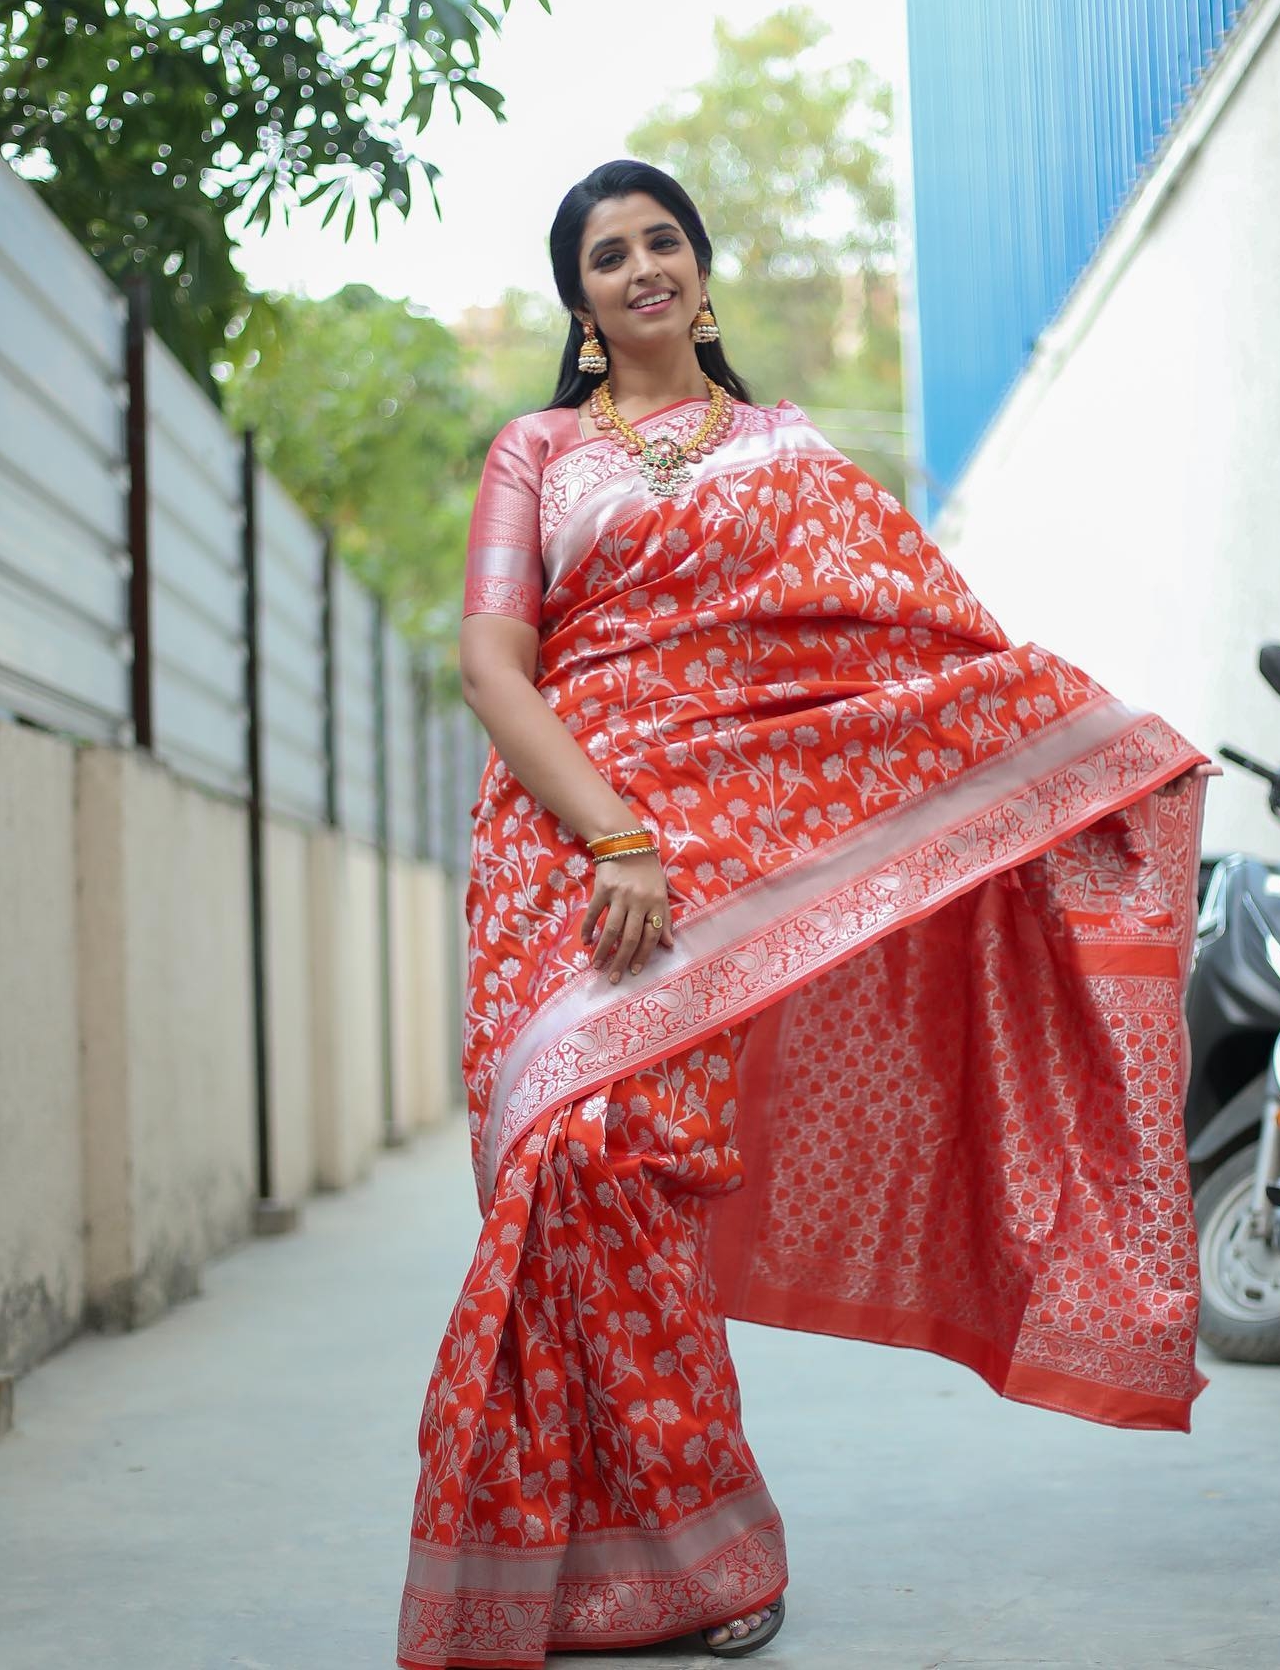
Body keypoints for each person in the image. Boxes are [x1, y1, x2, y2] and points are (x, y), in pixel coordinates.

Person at [396, 159, 1211, 1670]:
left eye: (662, 241)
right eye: (606, 256)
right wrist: (614, 833)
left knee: (637, 1161)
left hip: (732, 847)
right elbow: (493, 665)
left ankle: (707, 1556)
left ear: (701, 273)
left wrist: (1079, 756)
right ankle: (593, 1560)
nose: (640, 268)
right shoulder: (537, 453)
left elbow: (917, 640)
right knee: (561, 1163)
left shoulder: (792, 455)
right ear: (580, 304)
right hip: (564, 842)